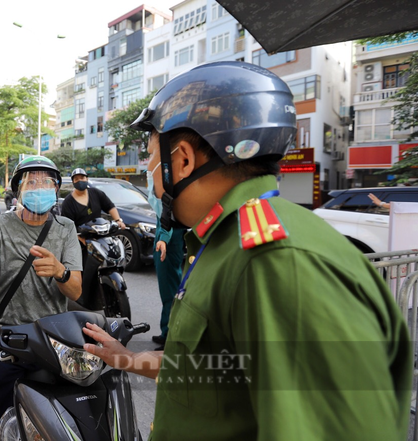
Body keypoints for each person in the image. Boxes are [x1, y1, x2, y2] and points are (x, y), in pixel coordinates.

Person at [82, 62, 412, 440]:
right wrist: (119, 356)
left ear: (184, 159)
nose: (151, 174)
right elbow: (210, 369)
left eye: (152, 156)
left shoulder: (276, 261)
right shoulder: (223, 243)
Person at [0, 156, 82, 441]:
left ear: (56, 190)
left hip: (55, 342)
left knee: (73, 418)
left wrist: (60, 272)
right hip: (9, 340)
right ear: (18, 189)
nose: (39, 186)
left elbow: (76, 290)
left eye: (46, 181)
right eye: (32, 181)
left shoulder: (66, 228)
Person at [145, 169, 186, 350]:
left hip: (169, 241)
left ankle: (171, 335)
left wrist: (163, 239)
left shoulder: (168, 183)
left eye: (153, 153)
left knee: (170, 291)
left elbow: (168, 219)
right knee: (167, 290)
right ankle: (165, 331)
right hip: (165, 237)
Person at [60, 168, 126, 267]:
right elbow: (67, 226)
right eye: (76, 179)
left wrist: (118, 220)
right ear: (73, 182)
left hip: (100, 237)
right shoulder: (68, 202)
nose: (80, 181)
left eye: (82, 177)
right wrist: (79, 239)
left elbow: (110, 206)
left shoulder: (96, 193)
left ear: (87, 178)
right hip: (81, 241)